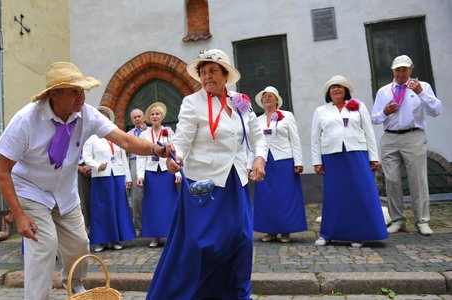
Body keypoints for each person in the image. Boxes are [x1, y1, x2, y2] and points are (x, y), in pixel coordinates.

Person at [0, 62, 171, 300]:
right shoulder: (27, 119)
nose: (82, 96)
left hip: (65, 191)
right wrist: (19, 215)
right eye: (75, 91)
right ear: (55, 95)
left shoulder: (87, 113)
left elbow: (125, 141)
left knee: (79, 243)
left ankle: (74, 285)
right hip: (31, 190)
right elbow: (3, 171)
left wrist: (155, 149)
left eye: (83, 90)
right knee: (44, 245)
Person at [146, 49, 267, 299]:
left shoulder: (240, 101)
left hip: (236, 180)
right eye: (202, 72)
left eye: (212, 71)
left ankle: (236, 293)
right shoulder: (192, 102)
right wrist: (175, 157)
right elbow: (182, 140)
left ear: (225, 75)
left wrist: (259, 158)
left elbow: (257, 136)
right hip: (204, 184)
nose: (206, 76)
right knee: (202, 246)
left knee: (241, 241)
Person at [311, 75, 388, 248]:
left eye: (339, 86)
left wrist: (374, 157)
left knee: (360, 192)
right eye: (332, 87)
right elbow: (315, 138)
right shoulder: (320, 111)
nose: (336, 89)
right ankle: (328, 234)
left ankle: (359, 234)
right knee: (334, 195)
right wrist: (317, 161)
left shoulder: (358, 106)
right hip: (332, 155)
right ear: (328, 92)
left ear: (346, 90)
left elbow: (369, 132)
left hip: (357, 153)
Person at [371, 55, 442, 236]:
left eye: (405, 69)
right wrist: (384, 112)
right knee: (392, 180)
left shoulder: (422, 86)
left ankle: (422, 221)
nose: (401, 72)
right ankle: (397, 220)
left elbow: (436, 110)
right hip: (390, 138)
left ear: (411, 69)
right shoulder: (384, 91)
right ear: (393, 71)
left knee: (418, 180)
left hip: (413, 136)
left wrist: (421, 93)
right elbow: (375, 118)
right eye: (398, 69)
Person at [249, 86, 308, 243]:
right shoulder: (257, 120)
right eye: (264, 97)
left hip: (284, 161)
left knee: (285, 197)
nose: (267, 98)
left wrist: (299, 161)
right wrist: (250, 165)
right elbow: (253, 144)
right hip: (264, 163)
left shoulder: (287, 116)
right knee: (266, 198)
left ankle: (285, 230)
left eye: (270, 96)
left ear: (277, 100)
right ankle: (270, 231)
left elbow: (295, 140)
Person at [83, 106, 136, 252]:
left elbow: (123, 157)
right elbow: (86, 157)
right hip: (101, 178)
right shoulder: (92, 138)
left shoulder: (116, 136)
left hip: (117, 175)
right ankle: (102, 241)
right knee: (102, 209)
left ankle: (116, 239)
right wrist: (97, 165)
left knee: (118, 207)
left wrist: (128, 177)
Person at [137, 102, 181, 248]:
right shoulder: (144, 134)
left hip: (166, 171)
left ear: (162, 116)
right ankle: (155, 236)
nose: (155, 116)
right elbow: (140, 156)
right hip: (151, 173)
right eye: (152, 114)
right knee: (153, 204)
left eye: (158, 114)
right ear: (149, 117)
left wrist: (177, 173)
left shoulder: (168, 131)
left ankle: (170, 234)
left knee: (169, 203)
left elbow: (175, 153)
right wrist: (140, 176)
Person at [127, 108, 148, 236]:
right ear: (132, 120)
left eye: (139, 116)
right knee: (137, 196)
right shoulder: (129, 134)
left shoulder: (151, 131)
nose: (137, 119)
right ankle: (138, 226)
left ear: (144, 117)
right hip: (135, 161)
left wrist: (146, 134)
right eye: (134, 117)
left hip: (150, 161)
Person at [77, 155, 92, 231]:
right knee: (83, 200)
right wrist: (78, 168)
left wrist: (90, 166)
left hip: (94, 167)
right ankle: (86, 226)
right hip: (77, 169)